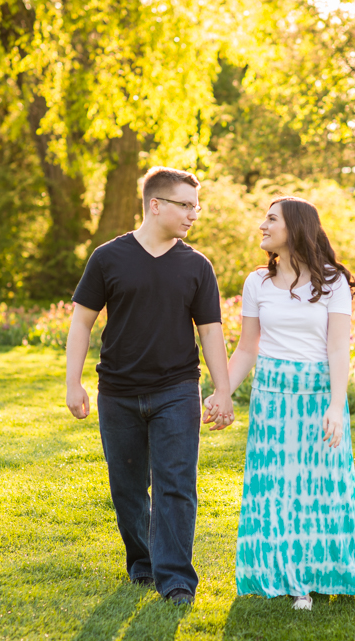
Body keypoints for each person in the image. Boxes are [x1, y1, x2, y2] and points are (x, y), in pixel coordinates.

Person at [65, 166, 235, 606]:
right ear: (155, 205)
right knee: (127, 488)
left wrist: (223, 389)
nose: (194, 215)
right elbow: (82, 321)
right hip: (117, 392)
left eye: (196, 207)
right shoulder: (108, 257)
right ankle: (142, 563)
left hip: (177, 390)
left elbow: (211, 330)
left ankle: (176, 579)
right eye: (186, 206)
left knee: (176, 484)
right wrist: (73, 383)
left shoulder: (197, 265)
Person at [218, 196, 355, 610]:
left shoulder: (333, 281)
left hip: (318, 394)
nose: (262, 226)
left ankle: (320, 573)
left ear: (295, 227)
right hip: (271, 395)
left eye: (271, 219)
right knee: (276, 488)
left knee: (319, 488)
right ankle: (284, 576)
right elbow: (247, 349)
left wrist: (336, 407)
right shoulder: (257, 283)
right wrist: (222, 393)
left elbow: (339, 349)